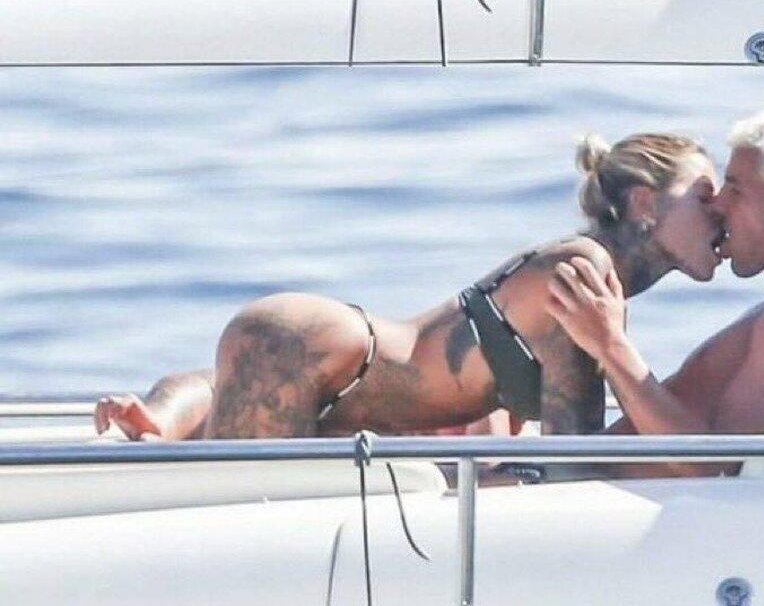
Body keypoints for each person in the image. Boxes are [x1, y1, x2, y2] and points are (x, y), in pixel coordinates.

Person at [95, 132, 725, 441]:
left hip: (331, 357)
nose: (720, 213)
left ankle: (159, 419)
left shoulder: (578, 266)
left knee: (228, 449)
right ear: (645, 203)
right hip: (331, 350)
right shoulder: (584, 276)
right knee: (237, 517)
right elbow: (571, 456)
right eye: (703, 196)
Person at [548, 107, 764, 474]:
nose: (718, 204)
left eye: (735, 188)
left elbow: (710, 466)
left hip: (626, 502)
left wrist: (609, 344)